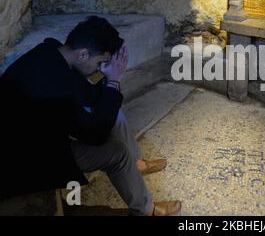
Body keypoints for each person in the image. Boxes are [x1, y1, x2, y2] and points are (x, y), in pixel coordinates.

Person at [0, 16, 181, 216]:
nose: (99, 67)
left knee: (115, 115)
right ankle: (147, 210)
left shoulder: (52, 53)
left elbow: (88, 95)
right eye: (99, 62)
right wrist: (113, 82)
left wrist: (108, 77)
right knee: (117, 152)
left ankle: (136, 165)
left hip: (39, 135)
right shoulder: (54, 89)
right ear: (83, 54)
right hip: (25, 160)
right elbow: (96, 134)